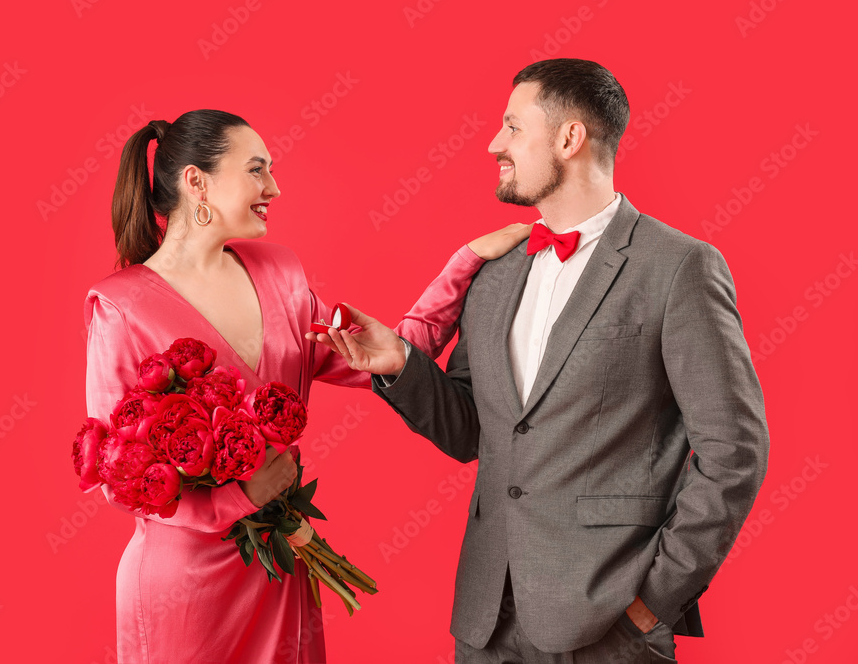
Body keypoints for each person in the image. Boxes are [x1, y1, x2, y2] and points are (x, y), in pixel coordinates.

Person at [306, 59, 770, 663]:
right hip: (485, 619)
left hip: (610, 623)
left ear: (569, 138)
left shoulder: (679, 267)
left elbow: (734, 451)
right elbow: (477, 432)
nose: (494, 144)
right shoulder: (496, 273)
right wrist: (399, 363)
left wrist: (655, 598)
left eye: (512, 127)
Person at [83, 108, 531, 664]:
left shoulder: (281, 275)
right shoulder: (122, 308)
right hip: (185, 590)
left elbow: (380, 355)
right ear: (195, 180)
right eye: (256, 170)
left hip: (278, 568)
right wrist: (240, 497)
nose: (273, 186)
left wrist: (462, 266)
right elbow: (118, 476)